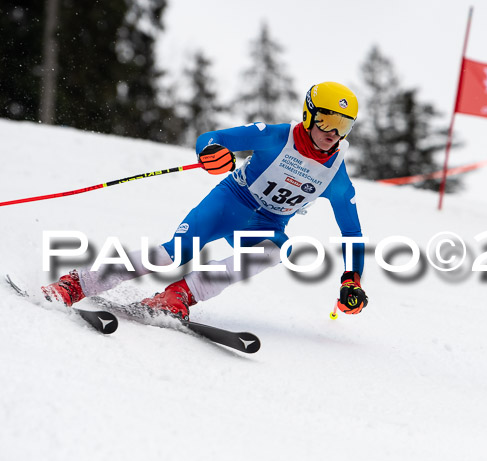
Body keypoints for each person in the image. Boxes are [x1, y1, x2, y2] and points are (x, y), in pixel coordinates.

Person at [41, 82, 369, 318]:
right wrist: (211, 152)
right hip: (230, 203)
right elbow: (212, 138)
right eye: (327, 120)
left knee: (275, 252)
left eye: (344, 125)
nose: (334, 133)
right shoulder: (275, 136)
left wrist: (351, 280)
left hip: (266, 224)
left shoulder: (336, 176)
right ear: (310, 115)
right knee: (172, 254)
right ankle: (79, 283)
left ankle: (178, 295)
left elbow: (352, 234)